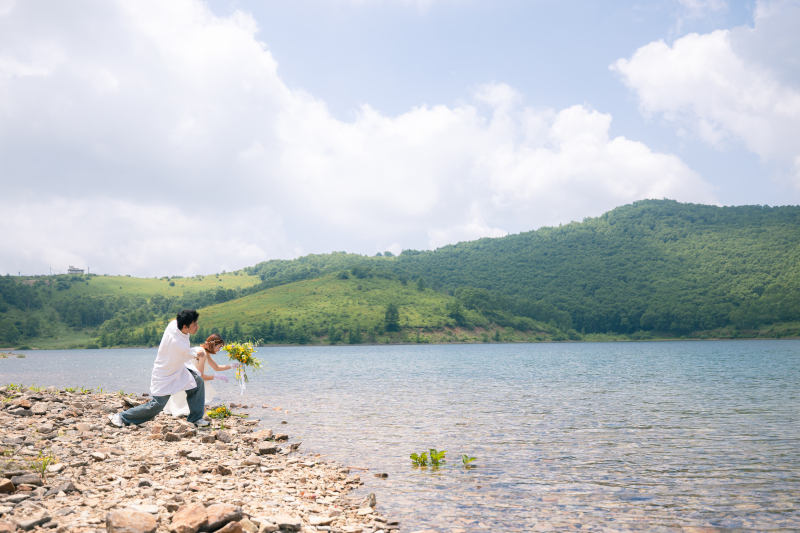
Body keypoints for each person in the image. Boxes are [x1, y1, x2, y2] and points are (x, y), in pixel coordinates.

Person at [107, 309, 209, 428]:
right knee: (157, 405)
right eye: (195, 324)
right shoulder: (177, 342)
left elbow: (185, 352)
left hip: (178, 368)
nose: (197, 327)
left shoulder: (174, 324)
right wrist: (200, 352)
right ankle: (121, 416)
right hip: (165, 373)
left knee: (198, 382)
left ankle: (196, 418)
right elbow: (190, 353)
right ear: (185, 327)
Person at [164, 333, 238, 417]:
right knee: (202, 383)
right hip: (184, 378)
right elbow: (200, 376)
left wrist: (232, 366)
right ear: (213, 344)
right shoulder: (202, 353)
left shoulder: (205, 351)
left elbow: (216, 367)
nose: (219, 349)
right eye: (219, 347)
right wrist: (217, 377)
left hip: (185, 378)